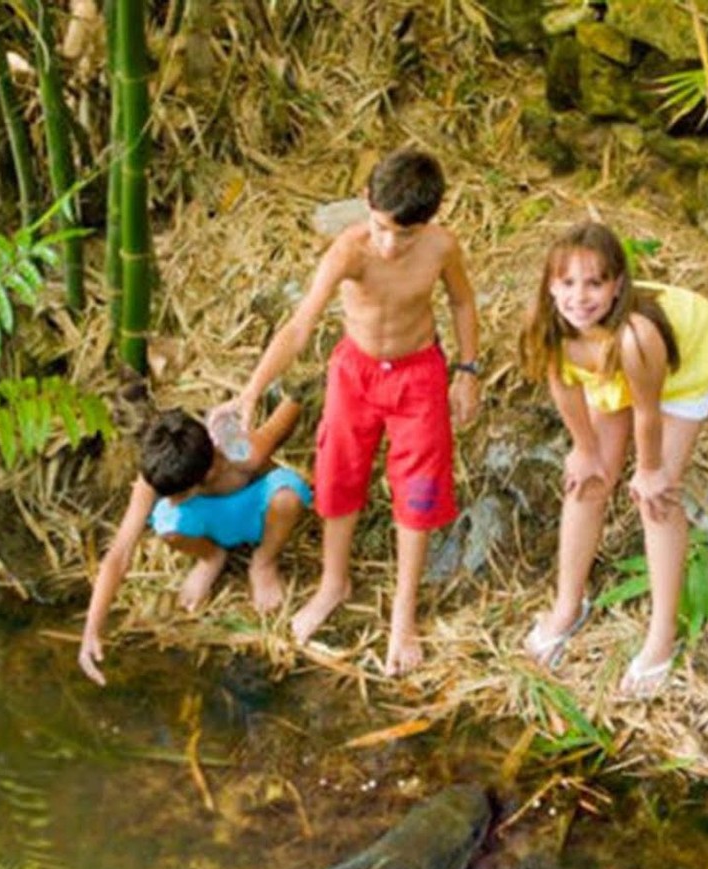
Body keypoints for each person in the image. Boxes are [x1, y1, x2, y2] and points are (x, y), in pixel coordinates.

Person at [212, 147, 480, 676]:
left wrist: (467, 373)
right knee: (338, 476)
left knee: (419, 489)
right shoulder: (349, 251)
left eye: (404, 233)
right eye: (381, 227)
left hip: (418, 375)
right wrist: (249, 391)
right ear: (365, 204)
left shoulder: (441, 248)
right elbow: (299, 326)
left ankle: (403, 616)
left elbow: (462, 303)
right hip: (354, 373)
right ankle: (334, 583)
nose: (389, 243)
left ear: (429, 220)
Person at [519, 221, 708, 697]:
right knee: (588, 481)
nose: (580, 297)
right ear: (551, 286)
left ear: (617, 287)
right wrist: (585, 449)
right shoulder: (551, 324)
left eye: (595, 283)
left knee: (658, 499)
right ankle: (568, 606)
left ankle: (660, 640)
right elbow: (563, 384)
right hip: (610, 366)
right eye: (568, 283)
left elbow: (647, 413)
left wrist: (650, 471)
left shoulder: (636, 336)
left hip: (678, 371)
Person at [77, 397, 309, 686]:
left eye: (178, 495)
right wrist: (91, 629)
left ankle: (263, 563)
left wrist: (296, 392)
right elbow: (120, 553)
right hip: (209, 522)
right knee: (167, 522)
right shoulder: (160, 469)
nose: (170, 500)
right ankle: (211, 557)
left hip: (251, 512)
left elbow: (280, 423)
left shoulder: (241, 453)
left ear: (209, 473)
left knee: (289, 495)